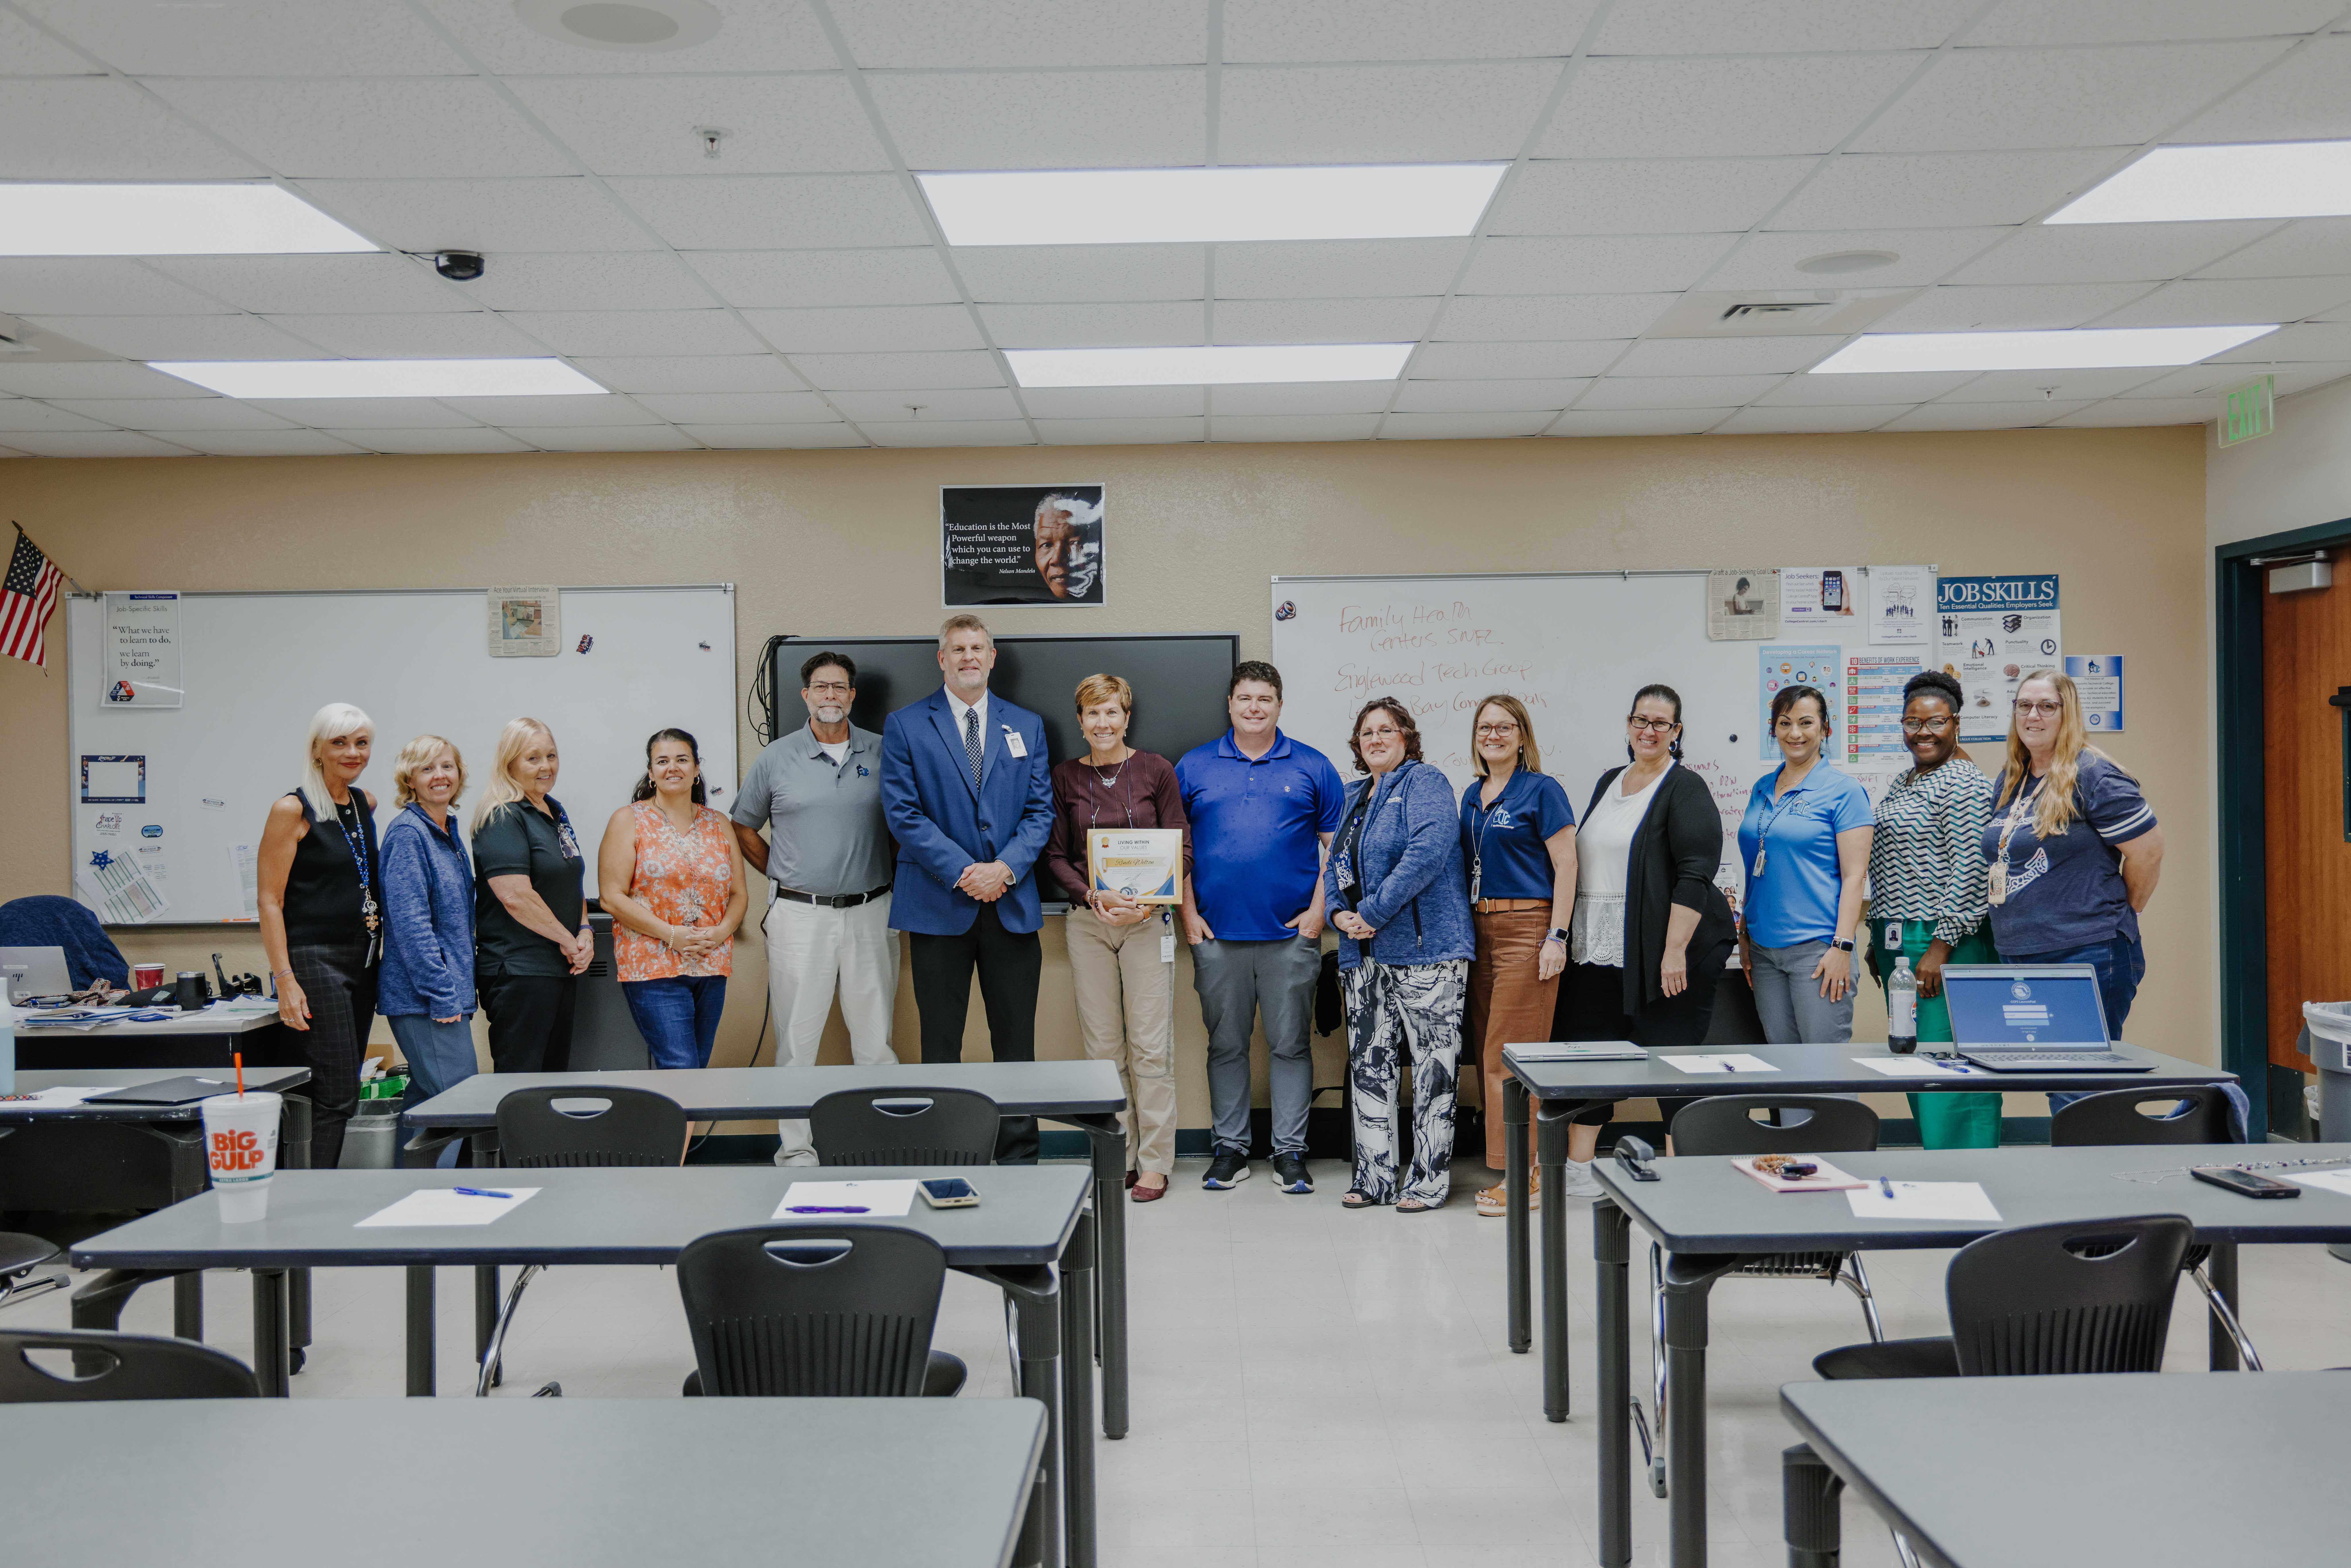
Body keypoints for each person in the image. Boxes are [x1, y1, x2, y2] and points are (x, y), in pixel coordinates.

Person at [880, 614, 1057, 1163]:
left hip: (1011, 903)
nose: (968, 657)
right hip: (939, 905)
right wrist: (966, 871)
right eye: (957, 648)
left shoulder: (1026, 725)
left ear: (993, 656)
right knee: (939, 1043)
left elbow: (1040, 810)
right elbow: (903, 814)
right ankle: (947, 1150)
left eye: (977, 647)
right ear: (941, 659)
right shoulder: (907, 725)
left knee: (1016, 1043)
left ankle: (1020, 1154)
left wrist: (1002, 869)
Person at [1549, 684, 1737, 1197]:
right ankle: (1580, 1170)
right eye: (1640, 720)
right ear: (1628, 724)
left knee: (1669, 1060)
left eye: (1661, 723)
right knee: (1591, 1056)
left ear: (1676, 732)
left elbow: (1695, 873)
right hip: (1599, 946)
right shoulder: (1611, 780)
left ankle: (1679, 1178)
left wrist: (1673, 950)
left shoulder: (1685, 787)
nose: (1648, 730)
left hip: (1667, 951)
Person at [1176, 660, 1345, 1194]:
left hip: (1290, 936)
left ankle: (1290, 1152)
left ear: (1279, 705)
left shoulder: (1314, 766)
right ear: (1230, 704)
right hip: (1216, 935)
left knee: (1290, 1045)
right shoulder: (1193, 766)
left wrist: (1318, 914)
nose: (1254, 707)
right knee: (1225, 1045)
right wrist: (1189, 915)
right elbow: (1173, 850)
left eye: (1265, 698)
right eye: (1245, 697)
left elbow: (1337, 850)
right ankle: (1230, 1149)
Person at [732, 651, 898, 1166]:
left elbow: (907, 821)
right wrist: (781, 872)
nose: (830, 695)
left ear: (852, 696)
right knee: (797, 1041)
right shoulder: (776, 757)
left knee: (875, 1040)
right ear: (805, 694)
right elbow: (742, 826)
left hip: (872, 910)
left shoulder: (885, 750)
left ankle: (879, 1145)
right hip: (799, 915)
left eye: (840, 687)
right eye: (821, 687)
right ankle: (797, 1149)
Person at [1982, 669, 2163, 1111]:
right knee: (2057, 1080)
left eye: (2047, 706)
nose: (2033, 715)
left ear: (2069, 713)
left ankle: (2101, 1177)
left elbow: (2149, 853)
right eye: (2024, 706)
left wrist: (2121, 913)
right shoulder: (2013, 779)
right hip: (2023, 953)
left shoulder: (2093, 774)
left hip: (2085, 952)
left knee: (2081, 1088)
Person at [1043, 673, 1189, 1202]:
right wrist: (1093, 897)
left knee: (1151, 1048)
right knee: (1103, 1049)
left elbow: (1183, 849)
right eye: (1092, 713)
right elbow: (1055, 855)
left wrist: (1150, 900)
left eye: (1112, 712)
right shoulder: (1063, 777)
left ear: (1127, 717)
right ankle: (1117, 1154)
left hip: (1148, 922)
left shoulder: (1156, 770)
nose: (1102, 723)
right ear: (1079, 721)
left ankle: (1155, 1162)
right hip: (1090, 923)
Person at [1327, 698, 1474, 1212]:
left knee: (1433, 1069)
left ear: (1406, 737)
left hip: (1425, 952)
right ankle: (1374, 1177)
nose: (1374, 738)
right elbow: (1333, 868)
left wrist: (1370, 910)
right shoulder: (1351, 796)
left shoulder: (1425, 782)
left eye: (1385, 729)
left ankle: (1428, 1179)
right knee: (1370, 1066)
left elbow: (1428, 852)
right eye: (1366, 731)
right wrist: (1337, 913)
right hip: (1361, 956)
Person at [1867, 671, 2001, 1147]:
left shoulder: (1964, 782)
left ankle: (1968, 1180)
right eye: (1911, 721)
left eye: (1935, 721)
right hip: (1902, 939)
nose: (1922, 731)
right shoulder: (1908, 779)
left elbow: (1971, 870)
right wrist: (1877, 937)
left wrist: (1941, 946)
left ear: (1956, 723)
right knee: (1916, 1062)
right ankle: (1937, 1171)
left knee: (1949, 1069)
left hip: (1945, 943)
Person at [1456, 694, 1577, 1218]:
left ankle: (1523, 1176)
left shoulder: (1543, 790)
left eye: (1505, 726)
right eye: (1485, 727)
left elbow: (1568, 865)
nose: (1494, 734)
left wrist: (1557, 935)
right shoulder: (1471, 794)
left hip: (1528, 928)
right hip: (1478, 930)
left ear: (1523, 736)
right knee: (1488, 1052)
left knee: (1510, 1058)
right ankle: (1512, 1164)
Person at [255, 702, 381, 1171]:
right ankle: (306, 1201)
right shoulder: (292, 809)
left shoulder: (364, 803)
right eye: (340, 742)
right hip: (314, 960)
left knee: (344, 1085)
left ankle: (311, 1189)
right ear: (317, 750)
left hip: (364, 960)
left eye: (362, 742)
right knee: (336, 1093)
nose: (353, 752)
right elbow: (270, 900)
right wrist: (285, 978)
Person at [599, 728, 747, 1071]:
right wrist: (671, 934)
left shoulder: (718, 823)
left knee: (696, 1067)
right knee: (680, 1068)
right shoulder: (629, 819)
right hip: (653, 966)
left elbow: (739, 893)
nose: (673, 768)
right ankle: (664, 1128)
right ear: (651, 773)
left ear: (697, 768)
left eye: (682, 759)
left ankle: (668, 1129)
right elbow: (611, 897)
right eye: (662, 761)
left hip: (711, 963)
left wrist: (722, 932)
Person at [1738, 685, 1873, 1044]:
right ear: (1773, 729)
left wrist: (1842, 948)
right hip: (1764, 951)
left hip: (1818, 951)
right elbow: (1757, 861)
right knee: (1786, 1076)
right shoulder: (1761, 788)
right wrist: (1745, 931)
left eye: (1805, 722)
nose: (1794, 733)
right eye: (1784, 723)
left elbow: (1854, 875)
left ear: (1825, 729)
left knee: (1824, 1075)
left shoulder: (1843, 791)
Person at [470, 717, 590, 1074]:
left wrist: (584, 930)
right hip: (519, 971)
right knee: (520, 1088)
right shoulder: (502, 816)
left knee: (552, 1080)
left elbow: (571, 877)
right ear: (509, 764)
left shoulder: (554, 810)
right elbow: (515, 896)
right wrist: (568, 940)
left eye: (551, 756)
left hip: (557, 967)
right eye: (533, 758)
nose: (546, 766)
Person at [377, 734, 479, 1116]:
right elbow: (411, 927)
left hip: (445, 994)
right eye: (427, 768)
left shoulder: (446, 831)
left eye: (447, 766)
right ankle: (455, 1180)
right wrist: (441, 994)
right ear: (410, 781)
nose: (440, 775)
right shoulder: (409, 834)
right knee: (462, 1106)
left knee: (428, 1103)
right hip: (427, 1000)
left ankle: (406, 1178)